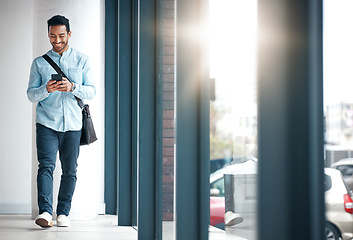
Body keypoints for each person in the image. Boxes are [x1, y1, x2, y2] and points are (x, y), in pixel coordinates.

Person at [27, 15, 96, 228]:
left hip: (74, 125)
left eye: (61, 35)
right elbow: (31, 95)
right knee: (45, 167)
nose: (56, 40)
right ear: (48, 34)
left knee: (70, 170)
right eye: (52, 35)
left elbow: (92, 91)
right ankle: (46, 212)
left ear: (69, 34)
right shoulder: (39, 63)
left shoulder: (82, 60)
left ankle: (63, 213)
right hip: (46, 123)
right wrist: (45, 89)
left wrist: (73, 87)